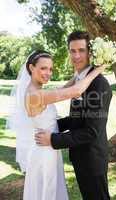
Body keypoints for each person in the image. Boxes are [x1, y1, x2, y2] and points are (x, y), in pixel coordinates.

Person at [8, 49, 106, 200]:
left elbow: (63, 89)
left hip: (48, 149)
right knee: (47, 192)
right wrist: (98, 69)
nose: (48, 73)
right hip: (44, 154)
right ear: (31, 68)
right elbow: (76, 90)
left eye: (50, 69)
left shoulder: (38, 91)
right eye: (43, 68)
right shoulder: (35, 96)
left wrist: (80, 73)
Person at [35, 31, 112, 200]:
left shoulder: (98, 84)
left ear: (90, 52)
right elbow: (77, 119)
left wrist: (54, 139)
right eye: (72, 50)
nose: (76, 56)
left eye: (81, 50)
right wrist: (53, 125)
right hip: (80, 157)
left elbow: (92, 131)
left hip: (92, 160)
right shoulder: (79, 80)